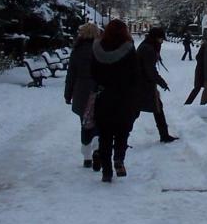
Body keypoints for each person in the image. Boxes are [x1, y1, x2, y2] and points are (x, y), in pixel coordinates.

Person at [90, 19, 140, 182]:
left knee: (104, 135)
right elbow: (135, 74)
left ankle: (106, 171)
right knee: (122, 132)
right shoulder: (129, 49)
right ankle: (119, 159)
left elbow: (93, 73)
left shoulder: (97, 49)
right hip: (124, 97)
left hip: (104, 96)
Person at [64, 22, 100, 167]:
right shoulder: (100, 49)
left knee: (85, 124)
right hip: (98, 89)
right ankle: (98, 147)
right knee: (98, 121)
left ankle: (86, 156)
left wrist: (68, 94)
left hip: (81, 91)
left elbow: (71, 75)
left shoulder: (77, 51)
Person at [137, 26, 178, 143]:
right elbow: (150, 70)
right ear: (156, 38)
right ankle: (164, 135)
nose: (162, 41)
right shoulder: (148, 49)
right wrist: (161, 82)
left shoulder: (147, 46)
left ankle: (164, 134)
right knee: (153, 108)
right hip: (143, 83)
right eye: (161, 39)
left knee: (155, 108)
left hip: (142, 82)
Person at [185, 37, 207, 104]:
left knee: (201, 88)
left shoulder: (204, 48)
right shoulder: (205, 48)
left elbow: (198, 57)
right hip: (203, 72)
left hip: (201, 71)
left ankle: (188, 103)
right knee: (205, 89)